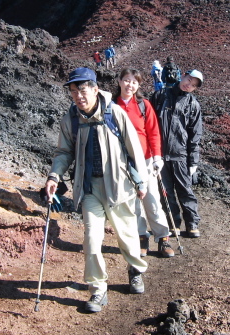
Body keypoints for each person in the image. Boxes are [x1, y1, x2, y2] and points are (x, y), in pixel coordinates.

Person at [44, 67, 148, 313]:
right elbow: (64, 152)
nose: (78, 96)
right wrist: (53, 176)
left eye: (82, 89)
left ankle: (135, 269)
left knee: (128, 237)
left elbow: (134, 150)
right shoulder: (70, 118)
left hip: (119, 186)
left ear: (94, 88)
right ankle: (98, 289)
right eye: (73, 91)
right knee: (91, 241)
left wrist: (141, 182)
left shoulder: (115, 113)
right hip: (88, 187)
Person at [112, 68, 174, 258]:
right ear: (119, 81)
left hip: (145, 160)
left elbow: (153, 132)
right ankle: (141, 236)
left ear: (138, 85)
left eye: (134, 82)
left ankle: (163, 237)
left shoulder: (144, 105)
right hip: (122, 161)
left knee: (152, 198)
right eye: (127, 80)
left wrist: (157, 157)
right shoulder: (111, 105)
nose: (130, 85)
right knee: (132, 202)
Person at [150, 69, 204, 238]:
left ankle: (192, 222)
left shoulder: (193, 105)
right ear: (183, 76)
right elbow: (149, 123)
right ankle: (173, 223)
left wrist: (193, 162)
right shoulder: (160, 96)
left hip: (180, 155)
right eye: (189, 80)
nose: (189, 85)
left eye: (194, 85)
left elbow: (195, 136)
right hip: (159, 154)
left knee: (185, 190)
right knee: (165, 192)